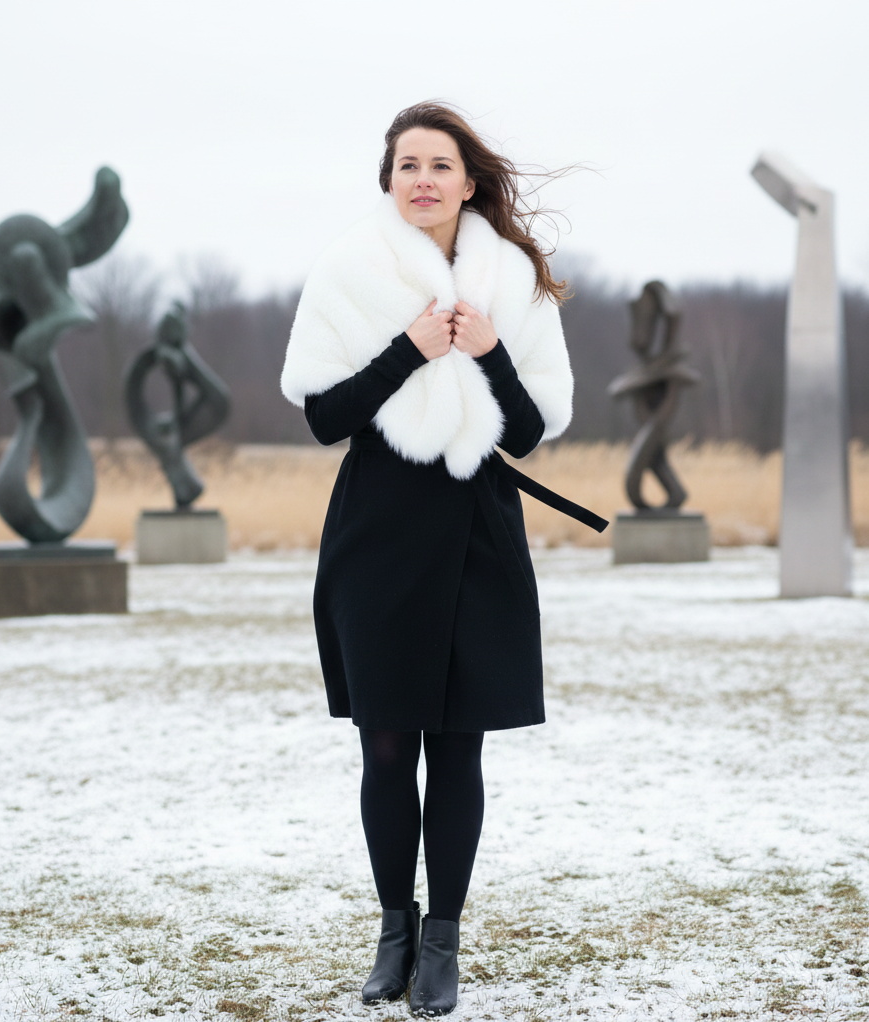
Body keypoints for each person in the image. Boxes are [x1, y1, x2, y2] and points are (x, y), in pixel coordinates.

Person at [280, 101, 573, 1016]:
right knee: (383, 744)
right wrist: (408, 350)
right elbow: (324, 417)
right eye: (407, 164)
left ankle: (441, 941)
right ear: (389, 178)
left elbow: (527, 433)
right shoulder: (347, 270)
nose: (423, 180)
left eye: (439, 165)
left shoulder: (513, 280)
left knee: (459, 748)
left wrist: (486, 352)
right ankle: (392, 932)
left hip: (479, 529)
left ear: (469, 180)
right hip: (379, 529)